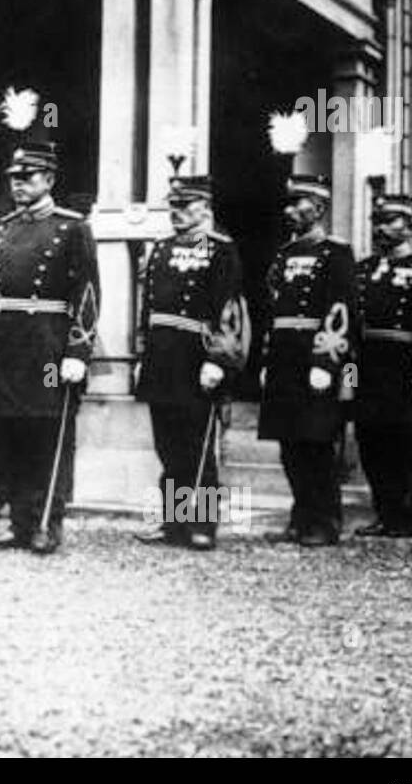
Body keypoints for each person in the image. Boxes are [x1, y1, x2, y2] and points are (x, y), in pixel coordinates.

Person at [0, 141, 99, 555]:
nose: (19, 185)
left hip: (48, 342)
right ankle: (18, 522)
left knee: (48, 433)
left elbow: (87, 294)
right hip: (8, 343)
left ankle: (48, 521)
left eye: (27, 178)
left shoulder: (72, 227)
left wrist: (77, 353)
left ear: (49, 180)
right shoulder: (5, 227)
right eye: (15, 179)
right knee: (9, 433)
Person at [134, 175, 248, 551]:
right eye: (173, 205)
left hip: (195, 358)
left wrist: (217, 359)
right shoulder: (161, 248)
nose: (177, 212)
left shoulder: (221, 250)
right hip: (161, 356)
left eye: (186, 205)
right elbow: (146, 308)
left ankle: (202, 524)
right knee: (167, 445)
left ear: (205, 207)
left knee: (197, 446)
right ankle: (174, 521)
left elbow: (228, 309)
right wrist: (140, 354)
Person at [257, 175, 357, 547]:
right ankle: (301, 516)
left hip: (316, 358)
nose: (289, 210)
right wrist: (268, 357)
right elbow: (273, 308)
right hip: (285, 358)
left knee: (316, 443)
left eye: (297, 202)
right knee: (290, 444)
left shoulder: (336, 252)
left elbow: (342, 311)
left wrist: (326, 362)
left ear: (318, 207)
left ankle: (325, 521)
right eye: (288, 202)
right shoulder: (283, 255)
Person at [351, 194, 412, 538]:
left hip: (405, 366)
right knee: (370, 440)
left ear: (408, 226)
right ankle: (384, 511)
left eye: (390, 221)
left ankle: (407, 515)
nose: (381, 227)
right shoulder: (361, 269)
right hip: (368, 367)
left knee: (405, 441)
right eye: (377, 221)